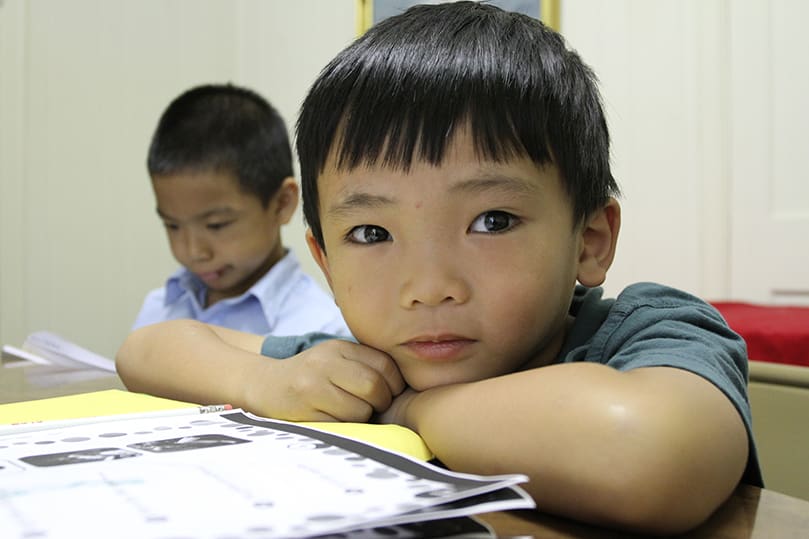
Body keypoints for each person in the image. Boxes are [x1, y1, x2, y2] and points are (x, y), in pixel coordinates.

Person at [117, 3, 761, 534]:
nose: (427, 288)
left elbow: (647, 455)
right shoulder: (367, 363)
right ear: (326, 261)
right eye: (371, 233)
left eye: (492, 222)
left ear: (589, 239)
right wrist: (268, 384)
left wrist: (413, 412)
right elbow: (149, 350)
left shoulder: (648, 331)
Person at [131, 83, 350, 337]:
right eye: (173, 226)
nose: (194, 252)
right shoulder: (158, 309)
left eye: (216, 225)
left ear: (282, 203)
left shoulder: (320, 330)